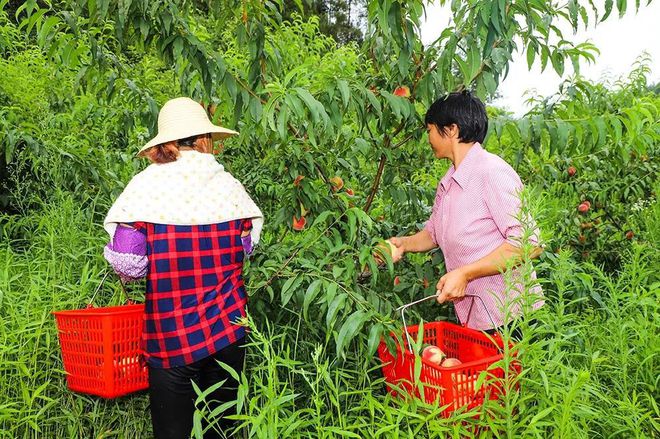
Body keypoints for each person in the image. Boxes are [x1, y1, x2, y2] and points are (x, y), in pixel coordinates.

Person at [103, 97, 263, 439]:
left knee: (173, 432)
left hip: (171, 337)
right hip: (228, 331)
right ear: (204, 139)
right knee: (223, 429)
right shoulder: (230, 188)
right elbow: (245, 247)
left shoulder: (146, 189)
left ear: (165, 142)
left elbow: (129, 265)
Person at [386, 91, 543, 334]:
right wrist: (402, 244)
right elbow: (433, 233)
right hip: (478, 318)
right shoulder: (449, 181)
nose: (427, 137)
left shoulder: (491, 172)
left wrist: (466, 274)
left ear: (451, 130)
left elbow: (529, 244)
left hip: (512, 317)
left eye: (430, 129)